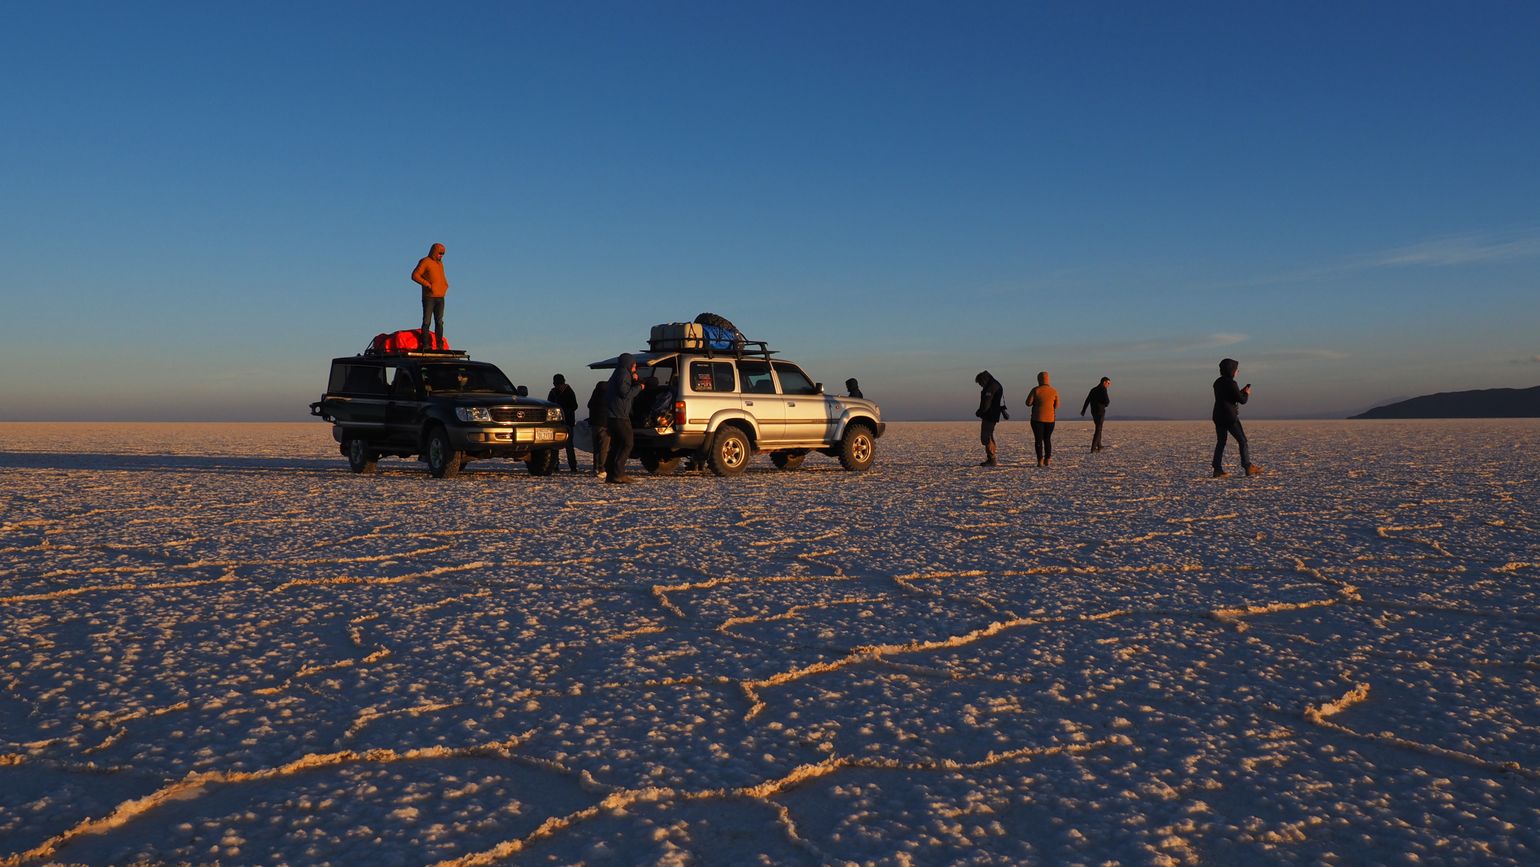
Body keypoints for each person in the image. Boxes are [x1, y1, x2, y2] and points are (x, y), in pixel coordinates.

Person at [1212, 358, 1263, 477]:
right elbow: (1242, 400)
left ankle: (1217, 469)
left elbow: (1228, 396)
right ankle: (1248, 466)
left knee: (1221, 442)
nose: (1237, 372)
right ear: (1231, 370)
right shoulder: (1232, 383)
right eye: (1236, 369)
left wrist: (1239, 393)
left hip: (1218, 415)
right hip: (1229, 417)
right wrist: (1246, 393)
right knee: (1242, 440)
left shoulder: (1217, 382)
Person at [604, 353, 643, 483]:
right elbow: (625, 393)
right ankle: (618, 473)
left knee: (617, 444)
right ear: (629, 364)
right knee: (627, 443)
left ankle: (611, 473)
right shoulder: (623, 374)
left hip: (613, 415)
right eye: (634, 365)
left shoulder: (618, 373)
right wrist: (639, 387)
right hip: (619, 415)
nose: (635, 368)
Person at [411, 243, 448, 348]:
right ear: (434, 252)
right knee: (427, 321)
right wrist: (427, 284)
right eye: (440, 253)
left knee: (439, 322)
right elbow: (414, 275)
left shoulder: (440, 264)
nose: (441, 255)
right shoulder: (425, 261)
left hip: (440, 297)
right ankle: (425, 345)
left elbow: (441, 277)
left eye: (443, 254)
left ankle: (439, 346)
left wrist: (445, 285)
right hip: (429, 297)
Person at [1025, 371, 1060, 467]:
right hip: (1050, 420)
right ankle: (1047, 459)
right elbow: (1057, 405)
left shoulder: (1036, 390)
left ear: (1039, 379)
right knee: (1047, 439)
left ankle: (1040, 460)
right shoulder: (1054, 391)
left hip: (1037, 419)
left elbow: (1028, 403)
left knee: (1038, 440)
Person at [548, 374, 580, 472]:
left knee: (561, 446)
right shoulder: (564, 392)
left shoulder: (559, 392)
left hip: (563, 423)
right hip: (563, 423)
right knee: (562, 446)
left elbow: (574, 406)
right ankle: (565, 466)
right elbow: (575, 406)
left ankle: (563, 466)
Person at [974, 371, 1005, 466]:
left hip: (990, 414)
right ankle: (991, 458)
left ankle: (991, 459)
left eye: (980, 383)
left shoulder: (991, 386)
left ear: (983, 380)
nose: (981, 385)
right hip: (992, 414)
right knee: (989, 435)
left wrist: (981, 411)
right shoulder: (994, 384)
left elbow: (987, 402)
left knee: (986, 436)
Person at [1081, 377, 1111, 452]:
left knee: (1098, 428)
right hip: (1100, 411)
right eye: (1108, 383)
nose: (1109, 385)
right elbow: (1107, 400)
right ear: (1104, 382)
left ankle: (1099, 445)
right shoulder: (1103, 389)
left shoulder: (1093, 390)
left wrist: (1084, 410)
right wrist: (1105, 404)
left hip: (1093, 412)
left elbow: (1087, 400)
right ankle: (1093, 448)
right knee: (1098, 429)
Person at [587, 381, 610, 479]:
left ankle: (595, 468)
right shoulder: (607, 398)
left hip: (594, 425)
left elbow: (589, 405)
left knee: (596, 448)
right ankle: (602, 469)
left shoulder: (594, 398)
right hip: (604, 425)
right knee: (603, 448)